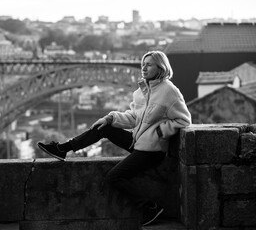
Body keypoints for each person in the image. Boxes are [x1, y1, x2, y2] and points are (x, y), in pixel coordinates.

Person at [37, 50, 192, 226]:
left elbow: (184, 119)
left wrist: (159, 133)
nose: (144, 67)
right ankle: (63, 148)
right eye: (143, 64)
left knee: (113, 177)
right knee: (104, 127)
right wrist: (111, 118)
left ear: (161, 67)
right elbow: (134, 117)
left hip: (152, 150)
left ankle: (150, 207)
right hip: (138, 142)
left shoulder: (169, 91)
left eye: (149, 64)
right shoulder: (141, 91)